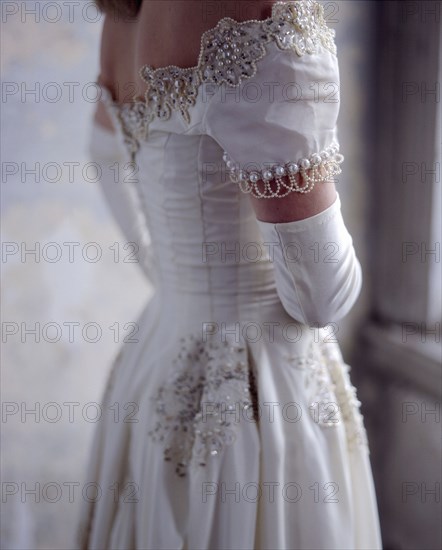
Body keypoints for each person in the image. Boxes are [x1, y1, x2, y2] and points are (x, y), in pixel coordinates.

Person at [76, 1, 383, 548]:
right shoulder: (256, 11)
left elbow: (102, 154)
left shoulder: (123, 15)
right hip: (257, 390)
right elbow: (323, 297)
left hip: (159, 352)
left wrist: (180, 281)